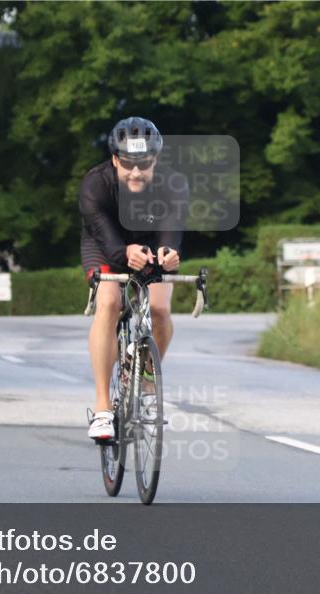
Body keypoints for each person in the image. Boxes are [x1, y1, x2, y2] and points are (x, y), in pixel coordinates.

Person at [81, 117, 185, 441]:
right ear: (115, 159)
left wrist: (167, 253)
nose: (136, 171)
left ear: (156, 160)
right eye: (127, 163)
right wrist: (125, 253)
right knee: (110, 302)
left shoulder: (173, 184)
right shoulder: (95, 184)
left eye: (144, 163)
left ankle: (148, 382)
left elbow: (171, 231)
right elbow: (109, 243)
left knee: (160, 311)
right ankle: (102, 409)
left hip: (151, 240)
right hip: (105, 242)